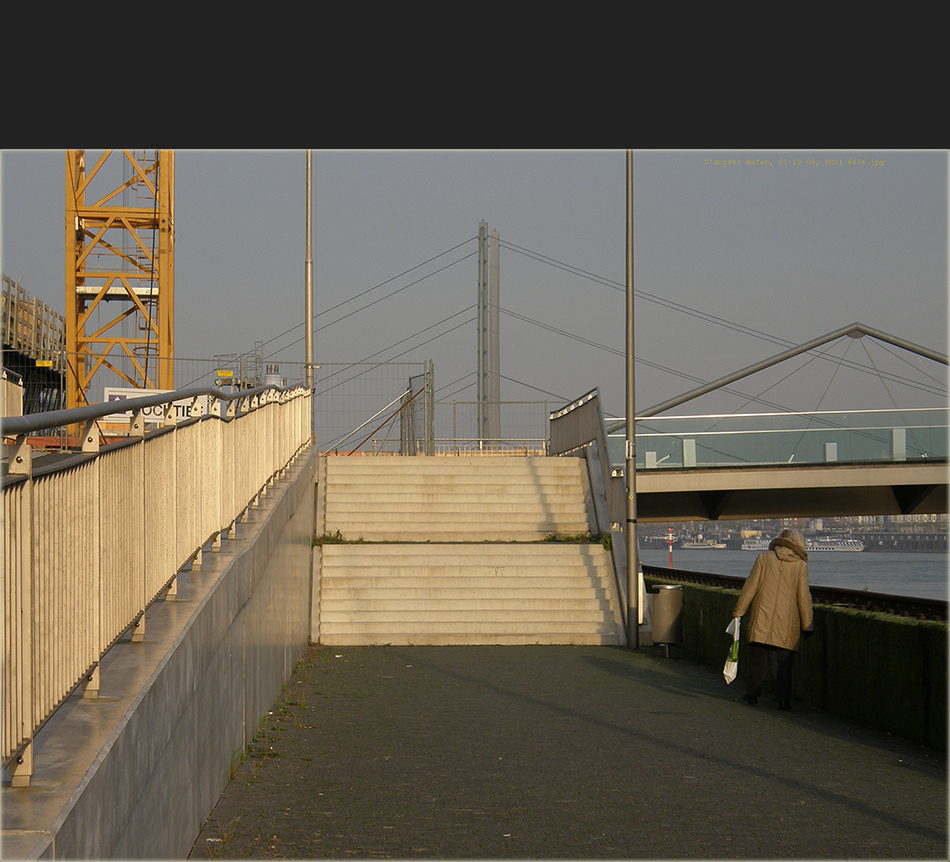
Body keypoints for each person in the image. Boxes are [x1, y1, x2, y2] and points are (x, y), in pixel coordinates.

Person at [732, 528, 814, 710]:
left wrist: (738, 612)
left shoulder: (764, 558)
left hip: (762, 615)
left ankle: (752, 694)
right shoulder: (800, 566)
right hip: (787, 621)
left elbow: (750, 588)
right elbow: (803, 597)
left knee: (756, 659)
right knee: (785, 663)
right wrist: (808, 625)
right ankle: (784, 700)